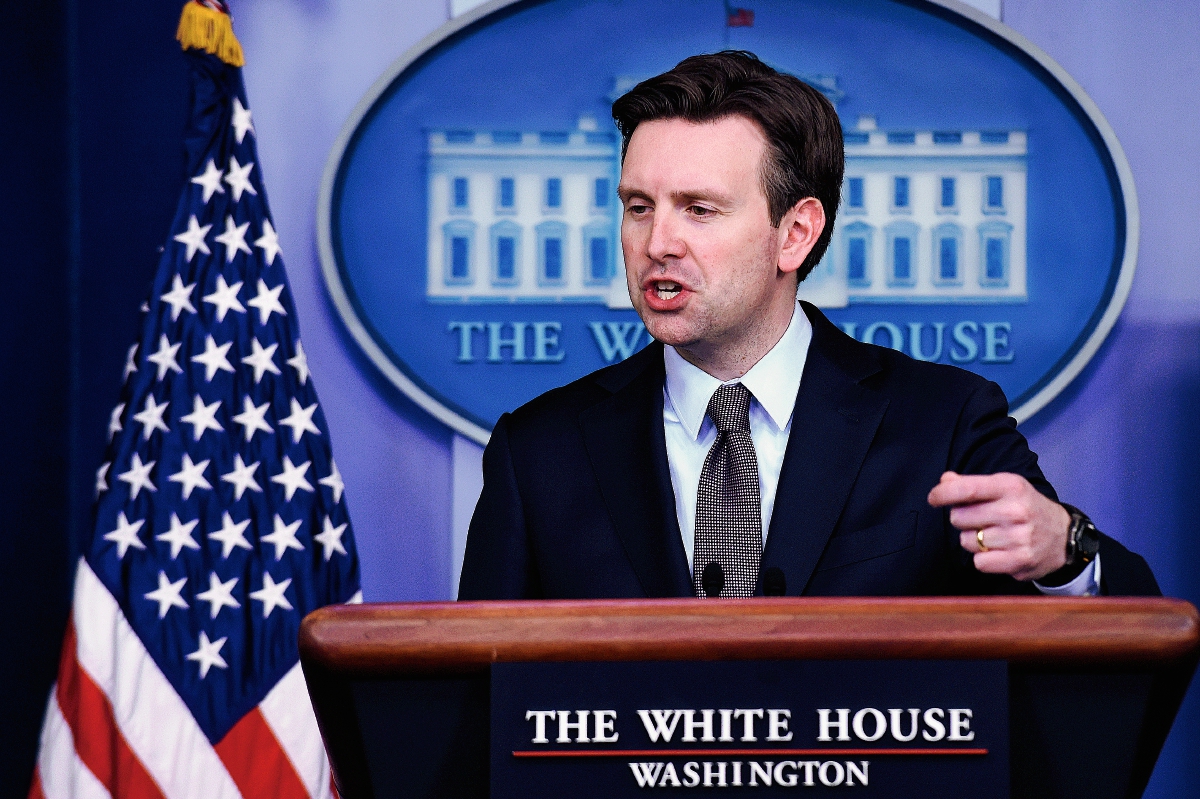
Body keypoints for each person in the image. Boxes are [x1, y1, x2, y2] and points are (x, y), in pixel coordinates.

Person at [457, 51, 1158, 600]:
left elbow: (1128, 628)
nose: (657, 241)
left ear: (795, 234)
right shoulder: (539, 452)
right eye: (639, 206)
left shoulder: (941, 424)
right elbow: (474, 712)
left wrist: (1066, 551)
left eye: (698, 209)